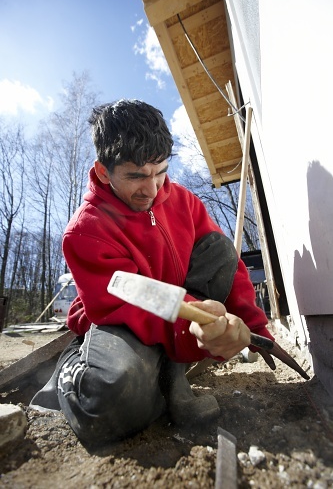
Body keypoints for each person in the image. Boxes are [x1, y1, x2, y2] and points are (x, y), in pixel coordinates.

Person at [30, 99, 309, 446]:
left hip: (176, 313)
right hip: (126, 321)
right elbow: (132, 305)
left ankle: (171, 374)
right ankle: (76, 365)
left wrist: (253, 326)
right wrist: (194, 329)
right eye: (136, 176)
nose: (152, 189)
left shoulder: (185, 201)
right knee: (111, 405)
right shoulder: (85, 231)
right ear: (104, 172)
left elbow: (228, 265)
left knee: (220, 248)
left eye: (160, 171)